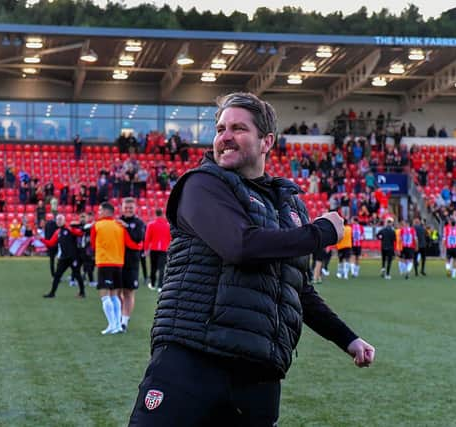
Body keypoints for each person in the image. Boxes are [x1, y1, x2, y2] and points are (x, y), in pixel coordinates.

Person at [128, 92, 374, 426]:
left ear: (266, 141)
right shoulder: (202, 185)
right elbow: (239, 246)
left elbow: (297, 289)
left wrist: (347, 338)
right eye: (220, 129)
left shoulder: (289, 206)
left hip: (259, 371)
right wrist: (321, 233)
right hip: (194, 358)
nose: (224, 137)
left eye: (238, 128)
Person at [91, 202, 141, 335]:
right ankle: (118, 325)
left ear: (107, 212)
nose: (99, 213)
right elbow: (132, 244)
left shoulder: (97, 225)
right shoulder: (120, 226)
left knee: (105, 295)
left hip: (104, 263)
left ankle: (112, 324)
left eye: (100, 210)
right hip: (119, 264)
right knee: (115, 295)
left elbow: (92, 244)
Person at [39, 214, 85, 298]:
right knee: (57, 275)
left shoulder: (69, 228)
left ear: (64, 220)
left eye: (60, 219)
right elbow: (51, 243)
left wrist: (79, 226)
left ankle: (82, 292)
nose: (59, 221)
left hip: (73, 257)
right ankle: (52, 293)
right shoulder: (58, 232)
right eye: (57, 220)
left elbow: (80, 233)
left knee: (77, 274)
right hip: (63, 258)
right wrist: (41, 239)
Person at [117, 197, 145, 331]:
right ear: (121, 208)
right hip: (117, 261)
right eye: (126, 208)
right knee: (116, 292)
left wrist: (127, 227)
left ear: (135, 209)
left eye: (130, 208)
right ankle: (121, 315)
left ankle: (124, 321)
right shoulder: (116, 222)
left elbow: (138, 238)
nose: (128, 210)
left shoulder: (139, 223)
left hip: (131, 262)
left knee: (128, 292)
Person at [143, 208, 171, 291]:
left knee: (153, 267)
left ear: (155, 214)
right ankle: (160, 286)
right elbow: (170, 238)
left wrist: (146, 249)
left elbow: (147, 238)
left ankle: (152, 284)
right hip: (164, 249)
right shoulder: (167, 225)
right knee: (162, 268)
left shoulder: (151, 224)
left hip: (154, 248)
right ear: (162, 214)